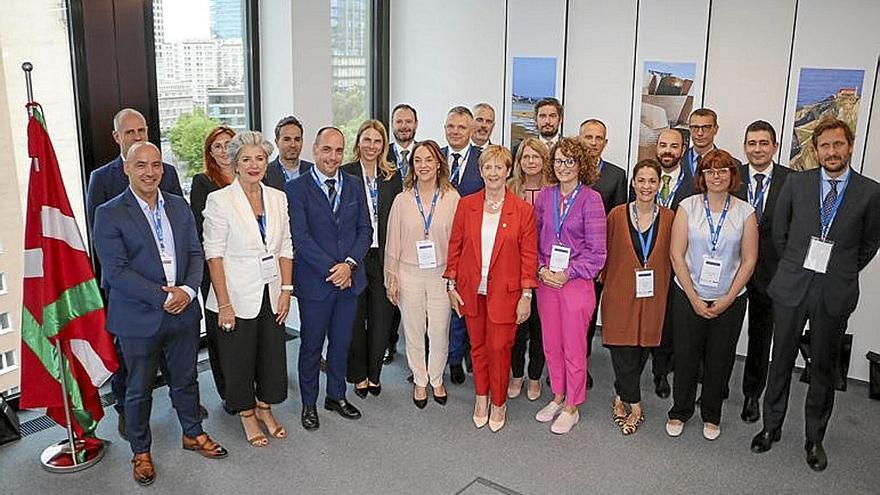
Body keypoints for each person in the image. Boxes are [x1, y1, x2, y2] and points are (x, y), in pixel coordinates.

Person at [93, 142, 227, 486]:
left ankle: (192, 434)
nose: (150, 172)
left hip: (183, 311)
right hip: (138, 316)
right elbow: (116, 271)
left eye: (156, 165)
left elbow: (197, 254)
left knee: (186, 379)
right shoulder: (109, 213)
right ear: (126, 168)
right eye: (141, 165)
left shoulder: (180, 207)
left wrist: (187, 291)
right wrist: (161, 297)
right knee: (138, 389)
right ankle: (141, 452)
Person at [752, 117, 880, 471]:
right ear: (816, 150)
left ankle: (814, 438)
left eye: (838, 144)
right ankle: (770, 427)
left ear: (849, 146)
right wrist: (794, 266)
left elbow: (870, 243)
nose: (832, 152)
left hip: (834, 292)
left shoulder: (870, 192)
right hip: (792, 286)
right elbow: (779, 233)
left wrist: (841, 268)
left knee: (822, 368)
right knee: (779, 362)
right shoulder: (797, 183)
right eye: (825, 146)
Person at [84, 108, 192, 440]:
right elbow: (102, 238)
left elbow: (180, 230)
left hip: (174, 286)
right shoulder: (103, 179)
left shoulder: (167, 172)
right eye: (129, 132)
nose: (137, 136)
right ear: (117, 138)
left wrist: (183, 289)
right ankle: (125, 413)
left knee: (181, 365)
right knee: (131, 369)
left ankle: (184, 409)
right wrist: (156, 292)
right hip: (129, 290)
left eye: (142, 130)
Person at [202, 130, 293, 447]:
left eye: (259, 158)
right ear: (235, 163)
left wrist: (286, 290)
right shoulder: (220, 200)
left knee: (271, 356)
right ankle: (247, 415)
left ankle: (265, 408)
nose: (254, 165)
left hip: (271, 293)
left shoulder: (278, 197)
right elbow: (213, 255)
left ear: (267, 162)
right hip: (235, 297)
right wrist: (224, 304)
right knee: (238, 360)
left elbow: (286, 247)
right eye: (246, 159)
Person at [666, 149, 758, 441]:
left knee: (720, 358)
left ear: (732, 175)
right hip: (687, 294)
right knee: (685, 356)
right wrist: (693, 297)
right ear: (702, 176)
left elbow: (749, 260)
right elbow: (676, 254)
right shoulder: (688, 206)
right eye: (709, 171)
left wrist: (728, 298)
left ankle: (711, 414)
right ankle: (679, 411)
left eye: (722, 170)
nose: (716, 176)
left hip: (729, 299)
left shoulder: (745, 211)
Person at [445, 145, 538, 432]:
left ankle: (499, 402)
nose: (494, 172)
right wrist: (450, 283)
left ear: (508, 171)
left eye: (499, 167)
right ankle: (481, 397)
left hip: (506, 294)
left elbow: (529, 257)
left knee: (499, 348)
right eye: (488, 167)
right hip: (471, 289)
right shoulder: (467, 204)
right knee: (478, 347)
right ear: (481, 171)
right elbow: (455, 246)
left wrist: (526, 295)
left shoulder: (522, 210)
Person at [287, 127, 372, 430]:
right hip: (316, 284)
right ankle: (309, 403)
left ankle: (336, 396)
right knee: (311, 346)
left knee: (341, 343)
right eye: (327, 150)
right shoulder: (296, 189)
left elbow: (365, 230)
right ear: (315, 150)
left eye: (338, 150)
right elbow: (301, 237)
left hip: (349, 282)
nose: (333, 157)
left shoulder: (354, 184)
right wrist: (333, 270)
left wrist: (349, 265)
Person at [533, 137, 606, 434]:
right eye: (559, 161)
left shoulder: (591, 199)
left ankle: (573, 405)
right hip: (547, 281)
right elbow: (533, 240)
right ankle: (558, 396)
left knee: (574, 347)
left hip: (575, 283)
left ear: (581, 165)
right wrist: (540, 268)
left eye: (570, 161)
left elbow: (598, 252)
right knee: (551, 344)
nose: (563, 167)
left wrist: (569, 272)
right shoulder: (545, 196)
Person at [600, 159, 674, 435]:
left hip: (653, 295)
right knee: (622, 349)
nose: (646, 186)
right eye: (641, 180)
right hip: (619, 291)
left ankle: (621, 394)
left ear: (659, 185)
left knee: (643, 346)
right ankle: (636, 404)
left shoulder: (670, 218)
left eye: (651, 181)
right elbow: (603, 251)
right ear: (633, 183)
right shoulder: (617, 215)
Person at [385, 140, 460, 408]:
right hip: (409, 273)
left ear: (439, 163)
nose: (424, 165)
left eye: (429, 159)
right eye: (418, 160)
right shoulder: (403, 200)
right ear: (412, 166)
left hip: (441, 273)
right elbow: (393, 241)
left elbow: (458, 242)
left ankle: (436, 378)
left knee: (439, 330)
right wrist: (391, 278)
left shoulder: (452, 197)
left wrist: (455, 280)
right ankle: (420, 379)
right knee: (414, 330)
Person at [733, 120, 790, 423]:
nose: (757, 149)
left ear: (774, 146)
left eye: (763, 143)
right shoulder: (732, 177)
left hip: (771, 273)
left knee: (759, 337)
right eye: (752, 143)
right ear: (745, 147)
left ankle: (752, 395)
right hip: (730, 271)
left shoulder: (791, 180)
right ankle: (714, 388)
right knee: (723, 334)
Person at [342, 120, 403, 398]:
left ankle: (375, 374)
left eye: (377, 141)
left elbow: (400, 219)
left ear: (384, 145)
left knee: (381, 317)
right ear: (358, 143)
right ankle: (358, 375)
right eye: (367, 140)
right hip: (355, 255)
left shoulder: (393, 176)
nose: (371, 146)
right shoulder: (345, 174)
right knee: (354, 319)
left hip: (384, 255)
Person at [189, 125, 236, 412]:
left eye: (228, 144)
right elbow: (201, 229)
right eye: (216, 146)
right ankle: (228, 391)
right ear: (210, 151)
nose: (223, 150)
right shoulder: (203, 182)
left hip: (249, 268)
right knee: (223, 330)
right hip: (215, 266)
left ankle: (250, 384)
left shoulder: (250, 176)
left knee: (248, 328)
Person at [579, 118, 628, 389]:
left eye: (599, 138)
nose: (593, 143)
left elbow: (618, 225)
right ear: (580, 138)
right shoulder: (567, 170)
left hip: (596, 263)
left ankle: (581, 364)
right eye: (589, 137)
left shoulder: (616, 176)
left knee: (587, 317)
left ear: (605, 143)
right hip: (566, 261)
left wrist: (607, 267)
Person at [649, 127, 695, 398]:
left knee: (670, 321)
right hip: (647, 262)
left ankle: (661, 373)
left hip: (680, 264)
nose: (667, 151)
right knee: (648, 316)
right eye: (663, 145)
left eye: (674, 146)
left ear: (683, 150)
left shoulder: (693, 184)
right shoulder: (644, 178)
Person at [441, 106, 485, 384]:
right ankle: (432, 360)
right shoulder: (434, 158)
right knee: (434, 305)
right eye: (450, 126)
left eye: (460, 127)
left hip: (471, 246)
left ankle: (455, 358)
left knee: (460, 305)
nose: (455, 132)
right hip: (435, 244)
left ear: (471, 131)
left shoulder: (484, 161)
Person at [506, 138, 549, 401]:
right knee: (516, 328)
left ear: (544, 161)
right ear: (519, 161)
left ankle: (534, 377)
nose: (531, 162)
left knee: (539, 329)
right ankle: (517, 375)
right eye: (526, 157)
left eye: (536, 157)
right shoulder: (509, 188)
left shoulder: (554, 191)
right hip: (513, 270)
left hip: (544, 272)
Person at [384, 104, 419, 364]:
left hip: (421, 239)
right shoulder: (381, 156)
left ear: (416, 124)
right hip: (391, 234)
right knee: (391, 296)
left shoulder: (426, 154)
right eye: (399, 122)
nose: (404, 126)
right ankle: (389, 343)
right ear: (392, 125)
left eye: (408, 121)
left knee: (419, 301)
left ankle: (419, 353)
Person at [681, 108, 741, 176]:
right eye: (695, 127)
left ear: (716, 129)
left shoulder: (731, 164)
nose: (700, 133)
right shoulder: (678, 160)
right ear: (689, 129)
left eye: (706, 127)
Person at [266, 115, 315, 189]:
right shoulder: (266, 173)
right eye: (287, 139)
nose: (293, 145)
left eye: (297, 139)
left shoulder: (313, 171)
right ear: (277, 142)